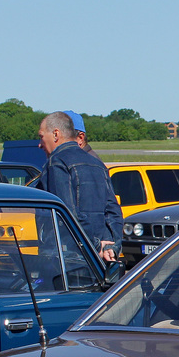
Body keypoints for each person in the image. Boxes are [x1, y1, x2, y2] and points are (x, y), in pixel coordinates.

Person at [37, 111, 121, 261]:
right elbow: (113, 212)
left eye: (41, 136)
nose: (39, 144)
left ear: (56, 134)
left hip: (67, 259)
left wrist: (94, 245)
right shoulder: (98, 164)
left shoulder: (56, 162)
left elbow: (65, 214)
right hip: (98, 260)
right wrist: (110, 247)